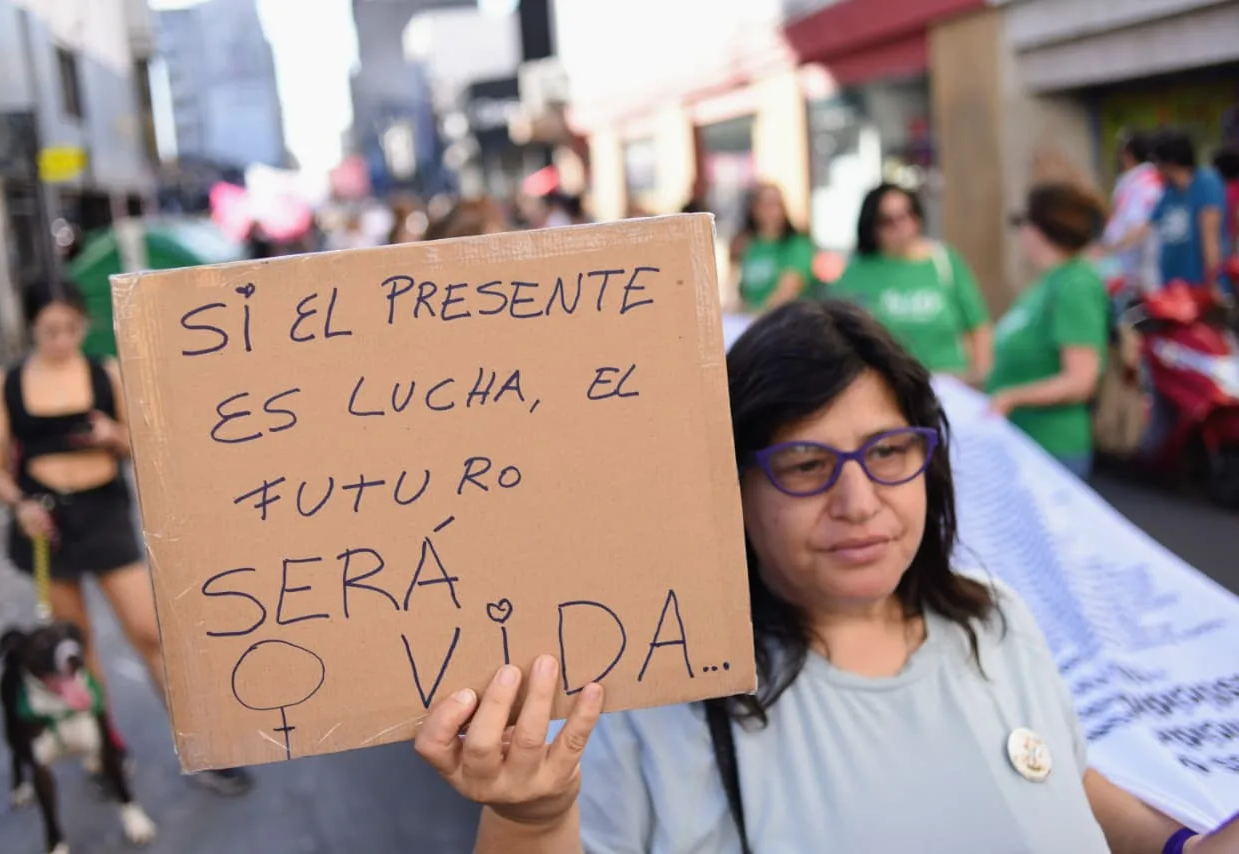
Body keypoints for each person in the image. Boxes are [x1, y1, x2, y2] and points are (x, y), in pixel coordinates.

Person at [414, 299, 1238, 853]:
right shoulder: (644, 710)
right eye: (805, 464)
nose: (859, 501)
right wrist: (531, 814)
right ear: (727, 489)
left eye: (888, 452)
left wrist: (1187, 843)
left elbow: (1060, 774)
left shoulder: (996, 622)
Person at [0, 280, 254, 796]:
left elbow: (144, 444)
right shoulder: (6, 382)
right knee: (75, 647)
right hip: (44, 522)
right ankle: (109, 747)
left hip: (103, 512)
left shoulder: (104, 372)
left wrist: (113, 435)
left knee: (150, 632)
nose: (61, 340)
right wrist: (17, 504)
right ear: (32, 328)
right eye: (49, 331)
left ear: (83, 325)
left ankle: (201, 748)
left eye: (69, 329)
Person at [985, 183, 1108, 480]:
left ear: (1039, 229)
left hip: (1052, 450)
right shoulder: (1048, 284)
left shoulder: (1074, 286)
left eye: (1022, 222)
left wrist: (1011, 397)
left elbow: (1081, 380)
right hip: (1026, 444)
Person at [831, 182, 993, 384]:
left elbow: (978, 324)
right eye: (888, 220)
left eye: (907, 214)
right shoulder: (857, 272)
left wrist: (980, 376)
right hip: (887, 386)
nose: (901, 225)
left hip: (949, 384)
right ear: (872, 226)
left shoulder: (944, 262)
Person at [1151, 129, 1229, 298]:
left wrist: (1213, 283)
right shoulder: (1169, 191)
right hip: (1173, 286)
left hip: (1200, 285)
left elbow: (1210, 237)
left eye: (1157, 162)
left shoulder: (1205, 182)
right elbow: (1148, 225)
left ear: (1170, 162)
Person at [1099, 131, 1164, 300]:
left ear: (1128, 154)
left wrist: (1107, 250)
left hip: (1136, 276)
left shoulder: (1144, 183)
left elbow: (1140, 227)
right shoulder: (1134, 180)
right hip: (1127, 271)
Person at [732, 182, 815, 313]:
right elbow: (739, 291)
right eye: (763, 202)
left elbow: (787, 291)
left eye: (775, 203)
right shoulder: (748, 246)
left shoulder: (797, 245)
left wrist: (757, 317)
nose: (769, 209)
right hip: (751, 322)